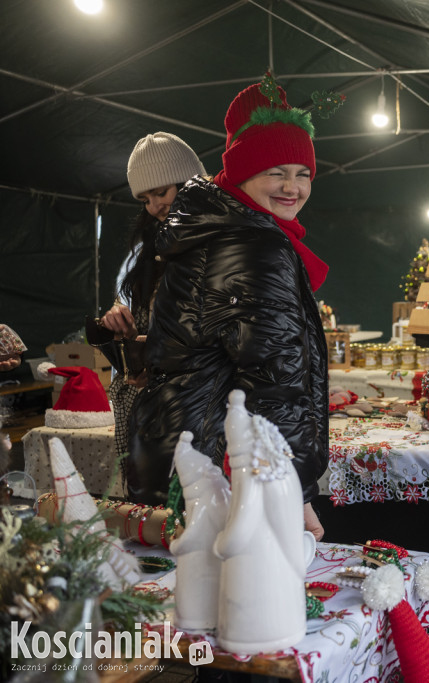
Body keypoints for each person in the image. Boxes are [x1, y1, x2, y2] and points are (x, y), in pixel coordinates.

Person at [127, 81, 329, 540]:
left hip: (181, 453)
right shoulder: (254, 243)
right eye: (276, 171)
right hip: (221, 470)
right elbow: (274, 377)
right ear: (241, 172)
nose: (292, 187)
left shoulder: (213, 227)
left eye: (303, 173)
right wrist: (294, 489)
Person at [99, 132, 206, 458]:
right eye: (145, 199)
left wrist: (162, 350)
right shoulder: (155, 245)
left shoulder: (221, 242)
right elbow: (147, 323)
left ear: (193, 183)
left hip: (199, 405)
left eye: (161, 192)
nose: (155, 206)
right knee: (156, 505)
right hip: (154, 405)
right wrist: (124, 326)